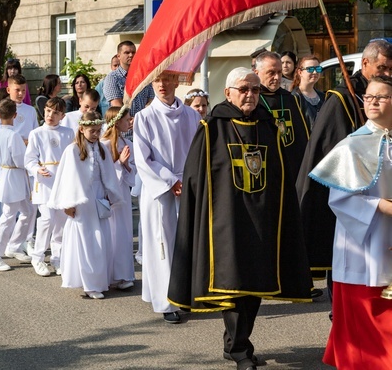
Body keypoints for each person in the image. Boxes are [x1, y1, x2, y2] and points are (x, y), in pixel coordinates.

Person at [168, 68, 312, 370]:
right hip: (226, 220)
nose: (251, 95)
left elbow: (278, 173)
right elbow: (197, 177)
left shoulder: (267, 125)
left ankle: (236, 343)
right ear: (228, 92)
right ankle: (238, 349)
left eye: (255, 90)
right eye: (244, 89)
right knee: (233, 284)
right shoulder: (212, 128)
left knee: (257, 284)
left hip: (262, 218)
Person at [309, 76, 392, 369]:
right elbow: (340, 199)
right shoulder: (352, 146)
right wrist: (382, 206)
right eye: (368, 96)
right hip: (365, 243)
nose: (371, 101)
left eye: (380, 97)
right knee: (372, 321)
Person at [296, 40, 392, 290]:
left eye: (391, 69)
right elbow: (330, 149)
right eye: (382, 68)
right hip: (353, 191)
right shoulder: (341, 98)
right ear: (365, 63)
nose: (387, 74)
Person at [133, 71, 201, 323]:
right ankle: (166, 300)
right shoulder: (144, 117)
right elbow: (143, 158)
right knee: (161, 244)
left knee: (186, 242)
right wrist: (171, 180)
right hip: (159, 188)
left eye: (167, 78)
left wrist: (189, 179)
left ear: (177, 81)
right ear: (151, 83)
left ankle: (186, 294)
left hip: (187, 186)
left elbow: (198, 151)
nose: (162, 84)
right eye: (157, 80)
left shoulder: (192, 115)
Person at [47, 111, 123, 299]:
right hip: (82, 200)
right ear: (81, 129)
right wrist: (69, 203)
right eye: (92, 131)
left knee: (102, 238)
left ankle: (100, 280)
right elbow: (67, 179)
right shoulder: (72, 151)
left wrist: (110, 193)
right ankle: (90, 284)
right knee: (87, 240)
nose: (96, 135)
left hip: (98, 197)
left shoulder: (102, 148)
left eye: (98, 131)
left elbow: (108, 173)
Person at [24, 97, 74, 276]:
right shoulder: (36, 133)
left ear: (62, 115)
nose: (50, 115)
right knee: (46, 220)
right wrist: (38, 169)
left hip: (63, 181)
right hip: (45, 182)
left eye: (55, 112)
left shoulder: (68, 133)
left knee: (61, 221)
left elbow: (73, 156)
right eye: (48, 110)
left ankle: (57, 258)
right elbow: (29, 159)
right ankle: (37, 257)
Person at [0, 99, 33, 271]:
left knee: (28, 212)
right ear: (15, 115)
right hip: (13, 176)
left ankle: (13, 245)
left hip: (9, 174)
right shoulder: (13, 135)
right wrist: (27, 147)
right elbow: (21, 160)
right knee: (7, 216)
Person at [254, 51, 309, 182]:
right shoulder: (252, 101)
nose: (277, 77)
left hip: (290, 167)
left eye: (279, 72)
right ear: (257, 73)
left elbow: (301, 138)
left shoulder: (289, 98)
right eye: (271, 73)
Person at [101, 105, 136, 290]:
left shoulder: (126, 143)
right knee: (111, 232)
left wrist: (126, 166)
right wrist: (119, 163)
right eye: (127, 119)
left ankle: (123, 274)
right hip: (110, 195)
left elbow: (132, 171)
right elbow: (102, 173)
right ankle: (108, 274)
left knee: (123, 232)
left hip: (123, 193)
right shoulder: (104, 145)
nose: (130, 122)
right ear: (116, 121)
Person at [103, 41, 155, 117]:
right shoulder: (112, 78)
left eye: (133, 52)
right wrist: (129, 121)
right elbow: (117, 106)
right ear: (118, 56)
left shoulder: (144, 76)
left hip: (143, 123)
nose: (131, 55)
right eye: (126, 53)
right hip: (123, 125)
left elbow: (151, 101)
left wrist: (140, 119)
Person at [291, 56, 325, 133]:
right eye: (310, 69)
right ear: (300, 72)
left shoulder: (323, 97)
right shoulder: (294, 97)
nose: (315, 72)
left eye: (318, 69)